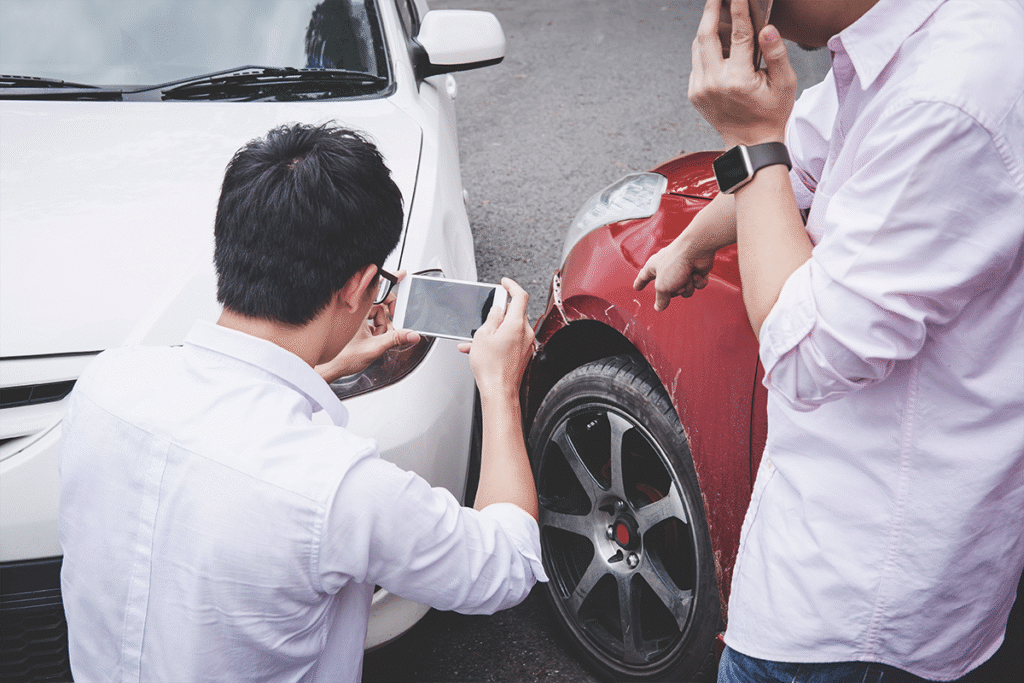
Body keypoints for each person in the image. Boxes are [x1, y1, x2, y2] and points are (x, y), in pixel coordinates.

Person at [57, 122, 546, 682]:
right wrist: (499, 384)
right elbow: (504, 566)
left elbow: (222, 434)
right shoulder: (340, 488)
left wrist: (324, 367)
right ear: (358, 287)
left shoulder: (105, 385)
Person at [634, 0, 1024, 681]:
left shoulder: (946, 96)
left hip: (854, 604)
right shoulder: (908, 41)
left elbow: (807, 356)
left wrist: (748, 135)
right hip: (875, 563)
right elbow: (804, 157)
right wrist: (693, 239)